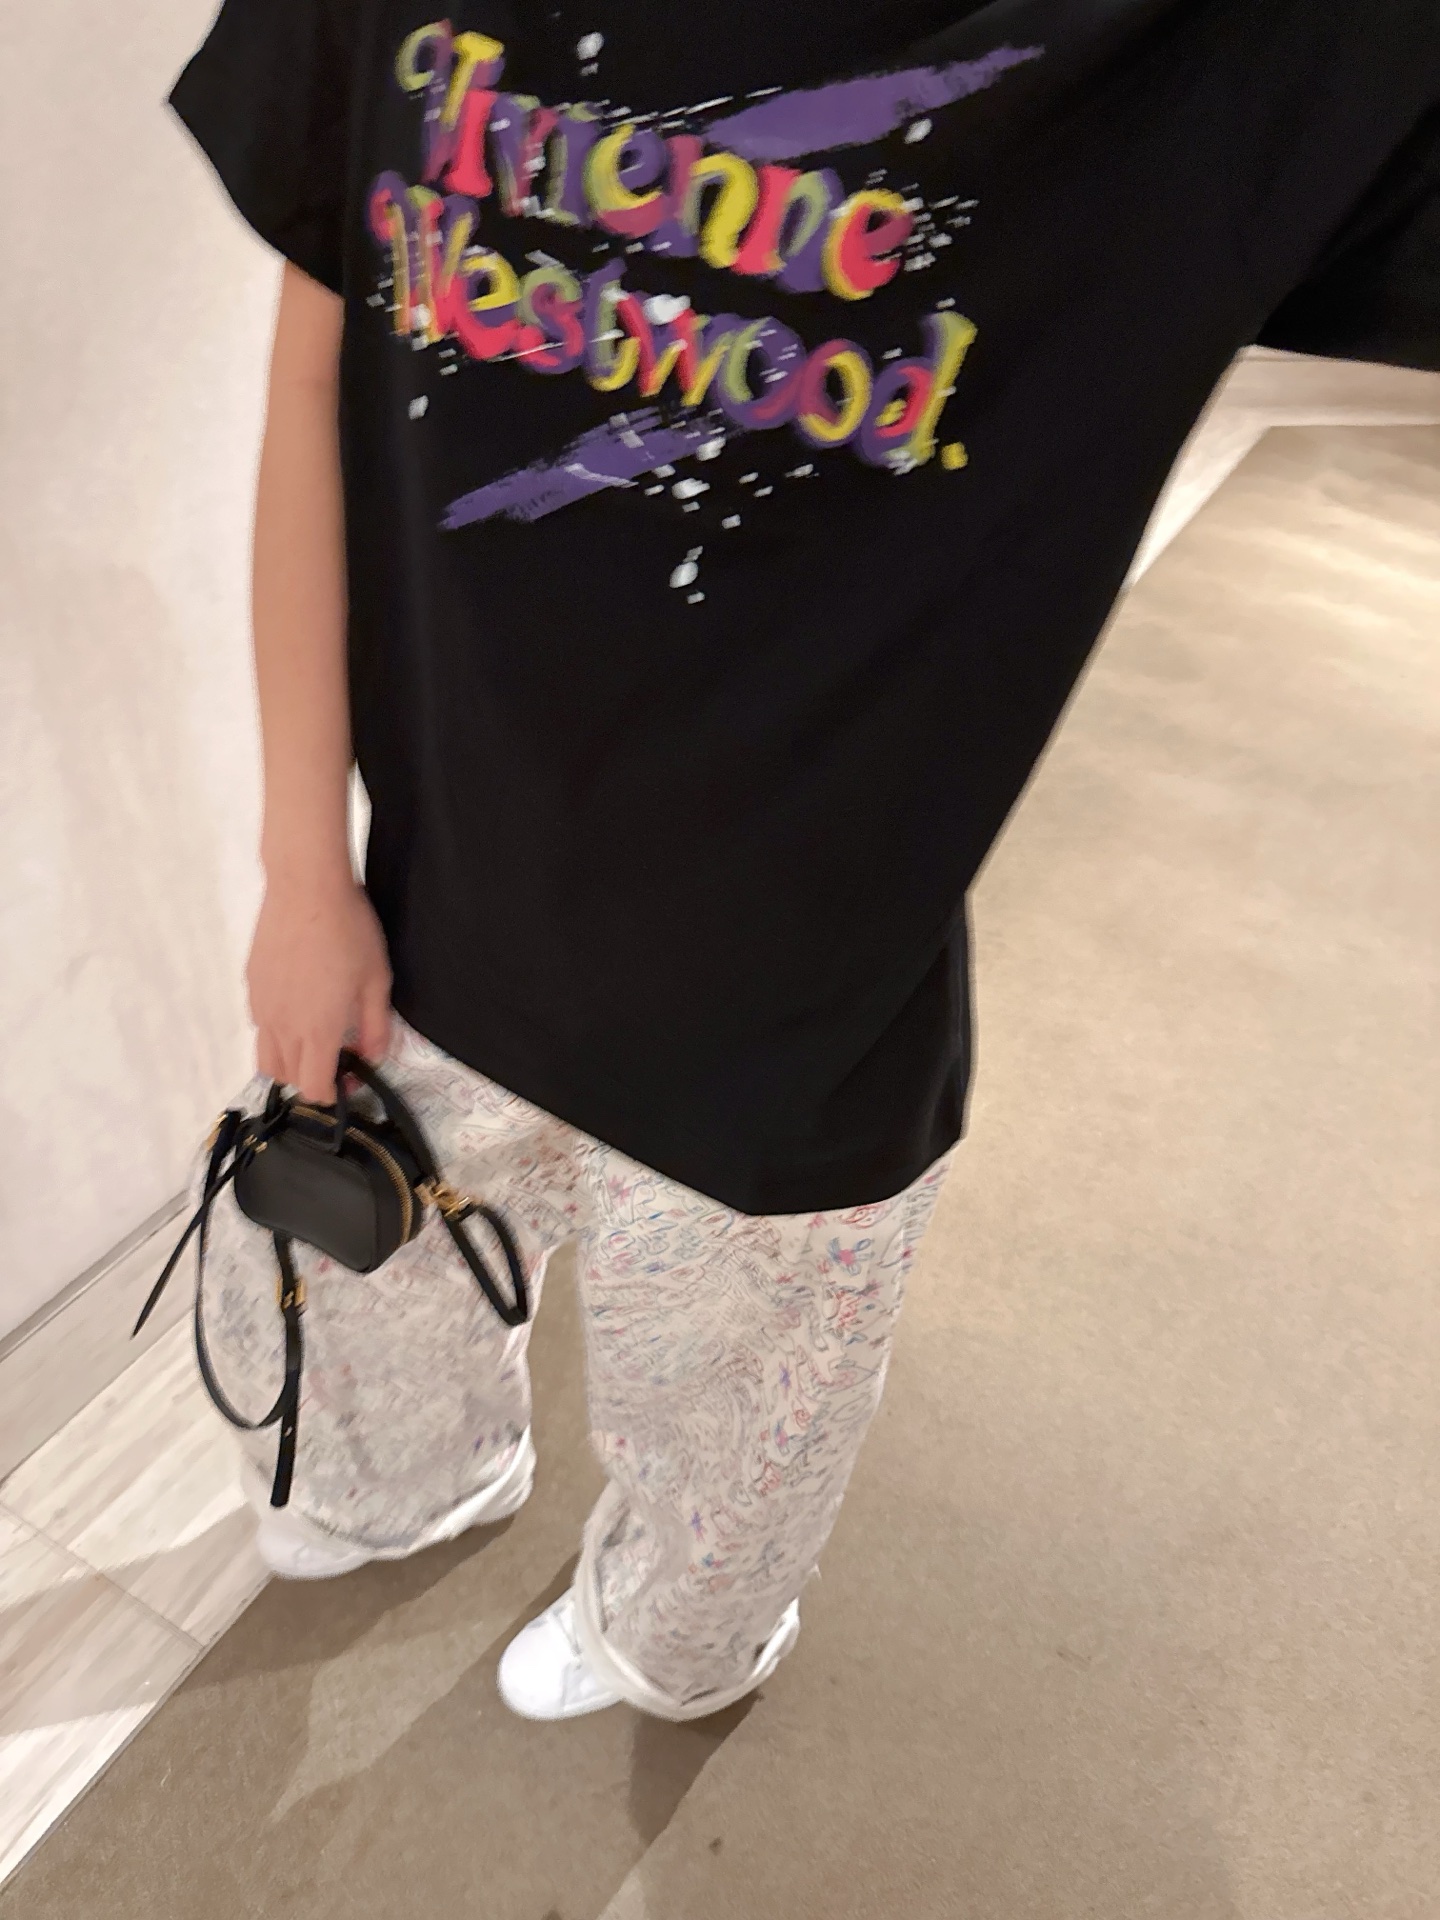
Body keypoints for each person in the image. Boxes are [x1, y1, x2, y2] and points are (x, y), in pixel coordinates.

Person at [169, 0, 1439, 1722]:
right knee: (350, 1343)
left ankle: (668, 1640)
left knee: (715, 1522)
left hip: (798, 1006)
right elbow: (316, 374)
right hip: (428, 919)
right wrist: (301, 872)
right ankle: (425, 1484)